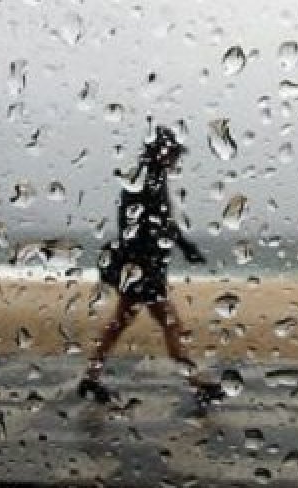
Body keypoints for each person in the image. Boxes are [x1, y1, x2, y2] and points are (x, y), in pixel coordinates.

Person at [78, 125, 225, 409]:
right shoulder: (145, 180)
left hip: (143, 268)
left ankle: (91, 377)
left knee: (122, 324)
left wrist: (183, 247)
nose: (176, 159)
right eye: (173, 153)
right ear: (160, 153)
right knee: (169, 324)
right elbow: (137, 225)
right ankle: (198, 385)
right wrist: (157, 258)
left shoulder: (153, 177)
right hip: (142, 269)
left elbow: (162, 223)